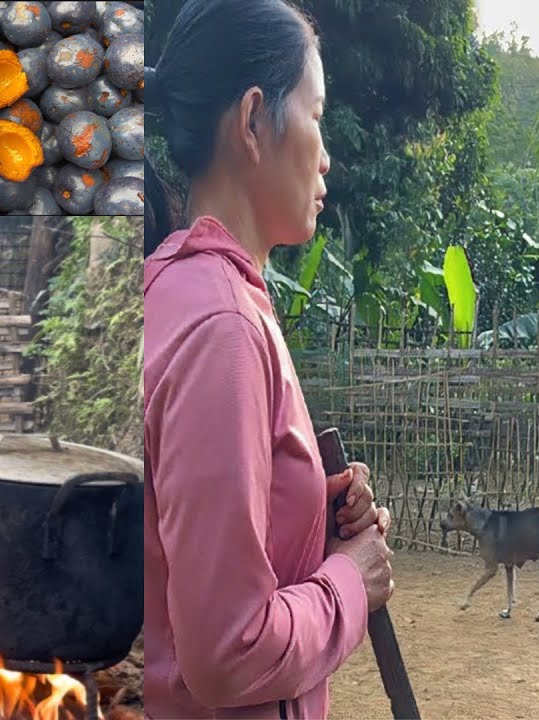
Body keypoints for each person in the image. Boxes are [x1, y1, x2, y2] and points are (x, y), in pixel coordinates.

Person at [143, 1, 395, 717]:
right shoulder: (222, 326)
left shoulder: (178, 291)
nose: (327, 156)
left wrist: (310, 513)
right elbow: (228, 651)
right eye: (316, 115)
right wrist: (352, 580)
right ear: (254, 121)